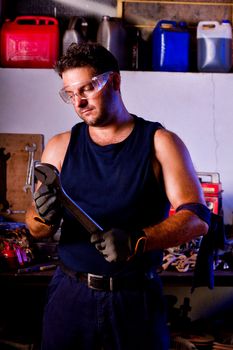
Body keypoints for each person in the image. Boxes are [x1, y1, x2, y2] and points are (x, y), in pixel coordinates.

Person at [25, 42, 210, 350]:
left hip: (134, 300)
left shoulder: (160, 143)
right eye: (70, 94)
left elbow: (197, 218)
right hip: (70, 295)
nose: (79, 102)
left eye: (86, 89)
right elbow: (36, 226)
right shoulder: (59, 146)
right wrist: (43, 215)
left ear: (115, 81)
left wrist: (137, 240)